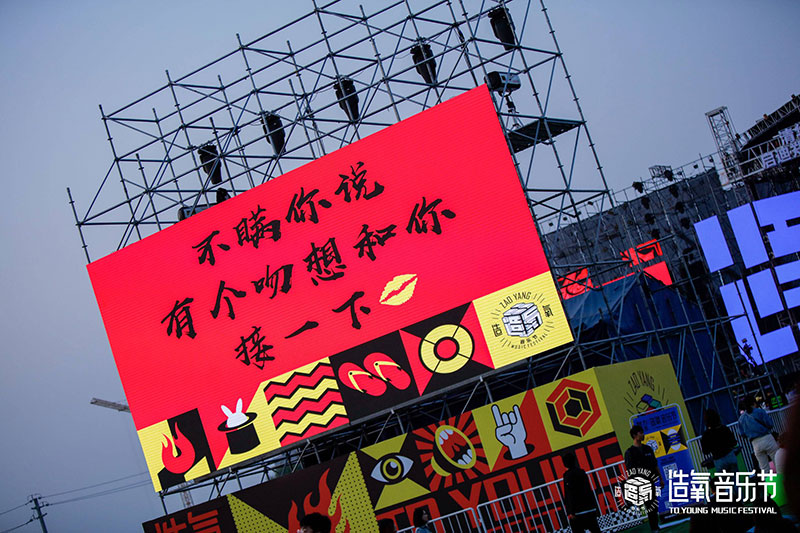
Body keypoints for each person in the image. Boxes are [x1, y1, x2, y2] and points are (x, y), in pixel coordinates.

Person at [624, 425, 661, 532]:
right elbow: (630, 471)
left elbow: (655, 464)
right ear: (635, 435)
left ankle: (655, 527)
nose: (643, 435)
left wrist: (661, 478)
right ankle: (654, 528)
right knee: (649, 506)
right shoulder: (630, 452)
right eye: (640, 433)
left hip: (651, 481)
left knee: (653, 505)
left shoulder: (648, 449)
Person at [738, 395, 779, 471]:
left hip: (755, 443)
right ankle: (782, 477)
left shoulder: (741, 418)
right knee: (778, 463)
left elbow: (742, 434)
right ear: (754, 403)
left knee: (764, 468)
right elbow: (770, 424)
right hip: (767, 438)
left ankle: (768, 478)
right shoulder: (760, 411)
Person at [561, 452, 601, 533]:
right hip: (589, 507)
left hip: (578, 511)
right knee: (595, 529)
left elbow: (569, 494)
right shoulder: (581, 472)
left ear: (564, 463)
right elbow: (587, 489)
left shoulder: (567, 475)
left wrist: (571, 511)